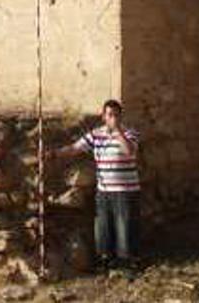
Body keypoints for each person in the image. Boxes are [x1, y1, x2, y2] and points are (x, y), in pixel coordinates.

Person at [46, 99, 141, 277]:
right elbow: (75, 148)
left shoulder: (130, 133)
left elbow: (130, 151)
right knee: (103, 227)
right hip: (104, 189)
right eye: (109, 114)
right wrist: (54, 154)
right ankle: (106, 260)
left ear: (120, 116)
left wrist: (118, 131)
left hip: (125, 190)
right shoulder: (96, 135)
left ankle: (127, 262)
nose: (112, 118)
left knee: (124, 225)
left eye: (115, 114)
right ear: (103, 116)